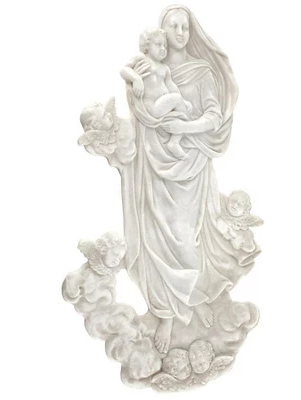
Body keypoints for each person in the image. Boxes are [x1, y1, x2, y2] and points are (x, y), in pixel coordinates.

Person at [120, 5, 260, 354]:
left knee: (187, 239)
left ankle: (196, 298)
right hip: (155, 165)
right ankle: (167, 315)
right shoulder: (150, 66)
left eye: (185, 26)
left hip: (191, 165)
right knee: (157, 239)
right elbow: (139, 108)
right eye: (173, 26)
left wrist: (183, 128)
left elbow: (214, 117)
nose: (180, 32)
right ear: (161, 32)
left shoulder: (202, 71)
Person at [121, 27, 191, 160]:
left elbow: (172, 87)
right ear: (146, 46)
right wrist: (136, 78)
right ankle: (180, 137)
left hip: (162, 106)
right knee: (177, 100)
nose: (163, 48)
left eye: (165, 46)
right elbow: (124, 70)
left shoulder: (164, 68)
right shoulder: (142, 58)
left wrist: (183, 101)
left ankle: (175, 140)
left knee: (186, 105)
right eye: (158, 44)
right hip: (152, 108)